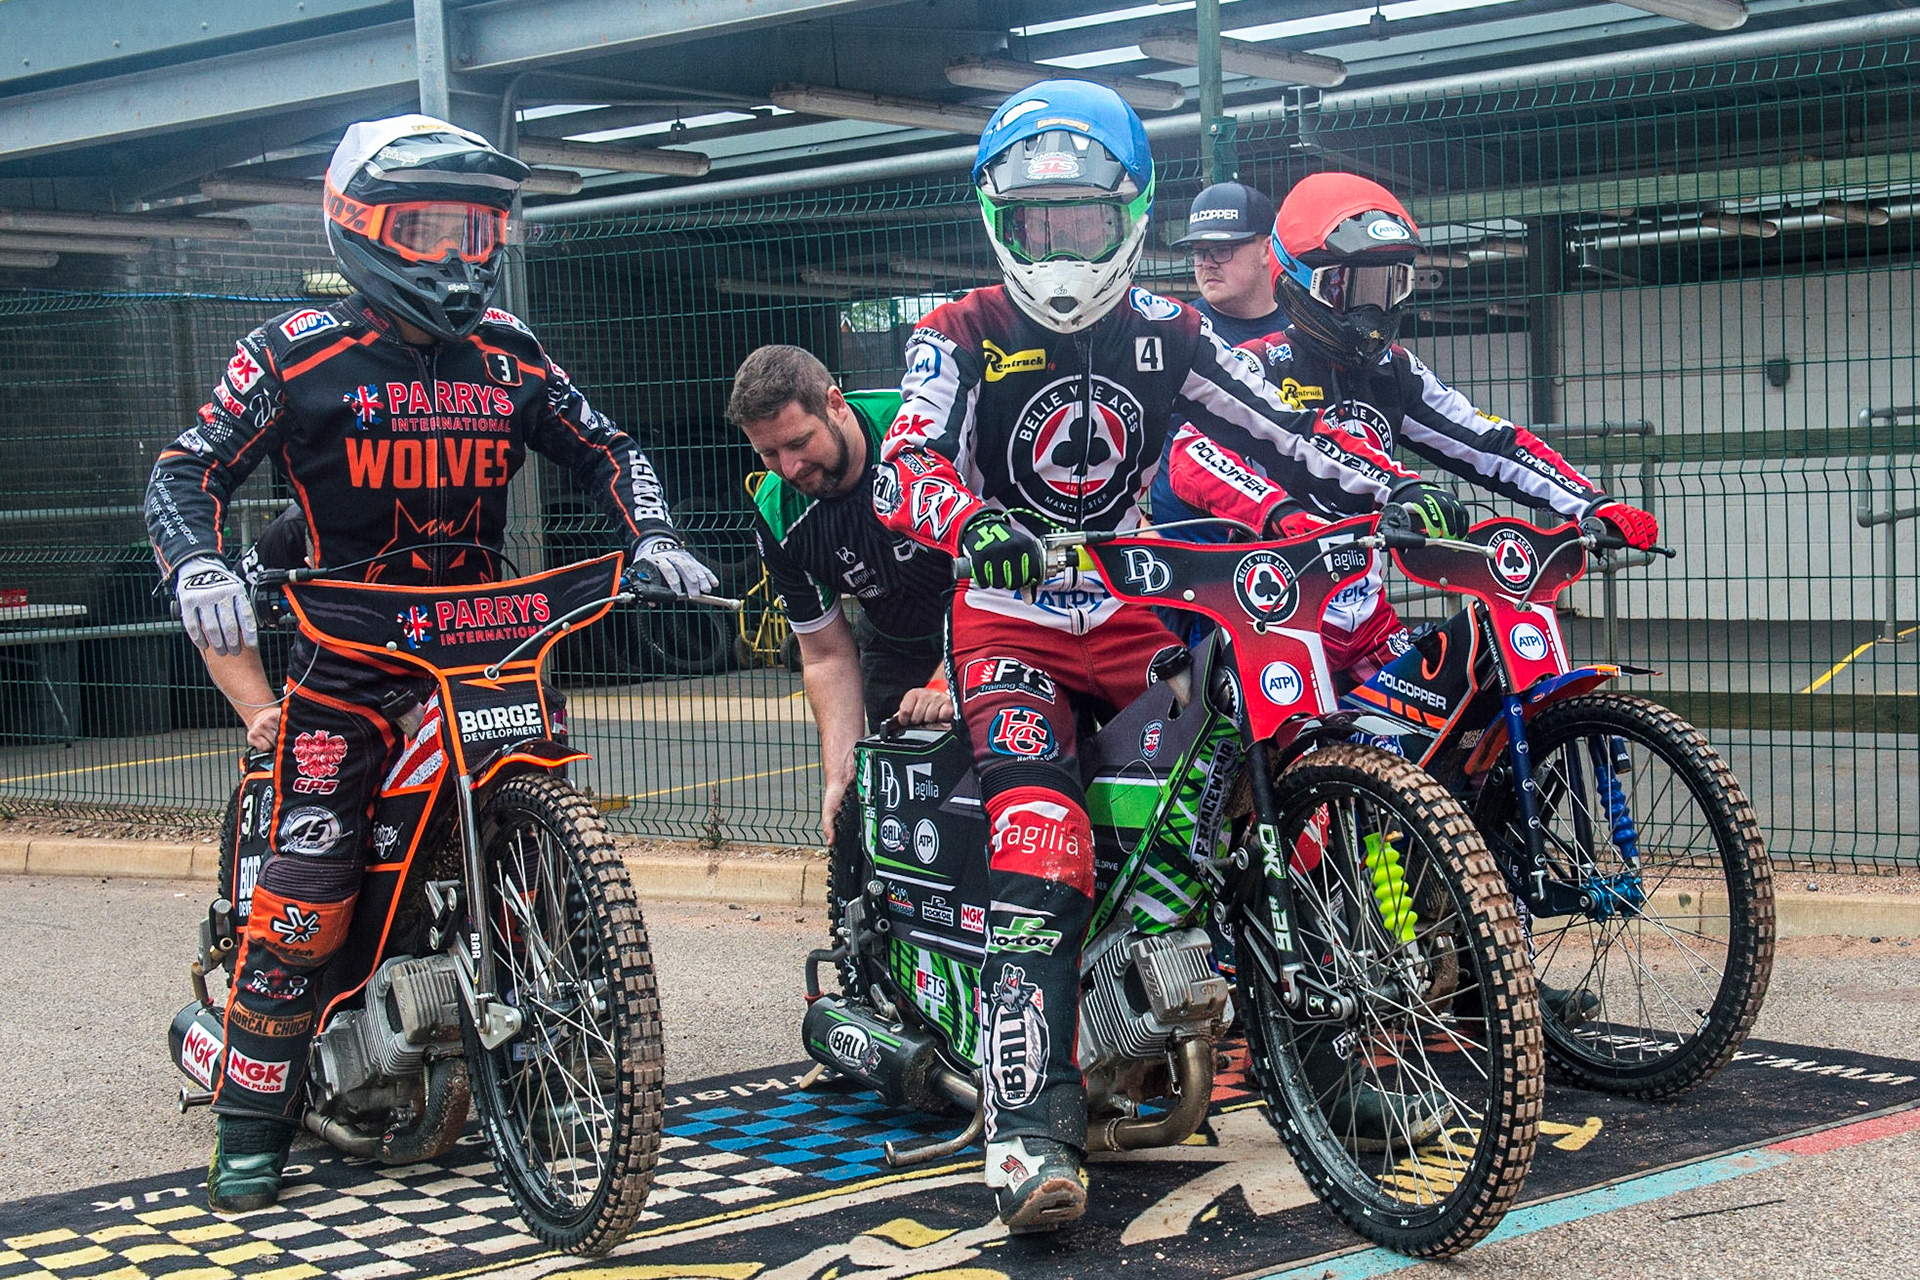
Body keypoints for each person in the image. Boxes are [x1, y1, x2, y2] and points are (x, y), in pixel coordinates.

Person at [871, 81, 1464, 1232]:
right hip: (1010, 632)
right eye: (1042, 223)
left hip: (1141, 622)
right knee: (1044, 848)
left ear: (1128, 214)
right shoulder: (954, 330)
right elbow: (903, 462)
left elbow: (1283, 431)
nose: (1062, 243)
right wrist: (970, 522)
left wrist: (1397, 493)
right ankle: (1029, 1130)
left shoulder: (1169, 330)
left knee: (1242, 813)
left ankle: (1333, 1073)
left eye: (1085, 220)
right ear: (1003, 218)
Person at [144, 114, 715, 1215]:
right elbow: (185, 469)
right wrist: (196, 565)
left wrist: (653, 534)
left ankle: (555, 1069)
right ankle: (248, 1118)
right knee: (306, 891)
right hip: (349, 673)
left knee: (547, 881)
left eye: (476, 226)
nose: (455, 254)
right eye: (424, 227)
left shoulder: (512, 352)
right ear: (358, 227)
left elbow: (611, 446)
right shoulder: (291, 351)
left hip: (496, 651)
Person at [1156, 171, 1661, 685]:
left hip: (1367, 625)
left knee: (1465, 698)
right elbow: (1189, 454)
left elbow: (1488, 440)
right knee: (1285, 756)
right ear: (1299, 280)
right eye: (1348, 288)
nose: (1371, 310)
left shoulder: (1395, 369)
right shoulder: (1255, 365)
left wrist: (1590, 502)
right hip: (1274, 619)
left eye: (1388, 286)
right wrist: (1282, 514)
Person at [726, 345, 955, 844]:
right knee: (902, 812)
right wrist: (839, 775)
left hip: (997, 620)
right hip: (893, 643)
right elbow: (826, 654)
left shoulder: (924, 431)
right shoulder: (778, 512)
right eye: (767, 454)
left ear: (835, 403)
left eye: (798, 442)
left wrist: (948, 680)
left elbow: (1002, 569)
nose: (789, 467)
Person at [1170, 181, 1283, 348]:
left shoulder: (1304, 331)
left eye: (1221, 250)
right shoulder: (1181, 332)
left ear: (1267, 250)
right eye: (1199, 253)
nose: (1207, 264)